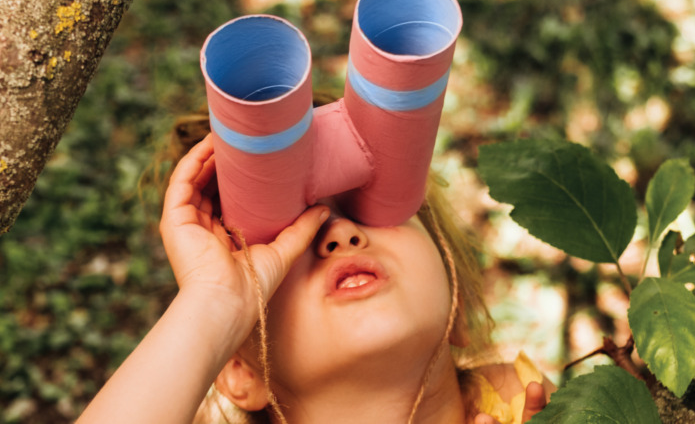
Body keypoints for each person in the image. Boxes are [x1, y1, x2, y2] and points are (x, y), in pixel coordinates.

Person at [77, 114, 556, 424]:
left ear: (458, 303)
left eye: (369, 204)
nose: (339, 233)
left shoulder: (531, 404)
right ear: (240, 370)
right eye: (284, 238)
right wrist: (214, 302)